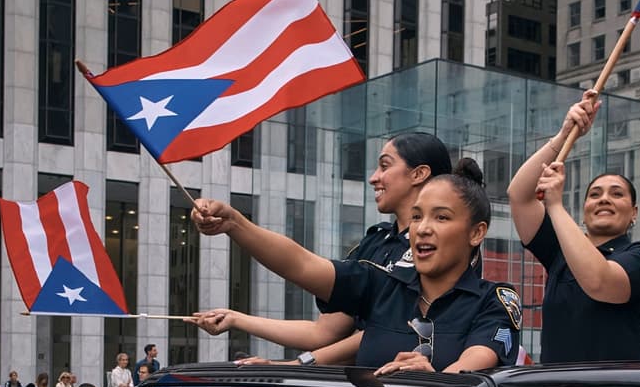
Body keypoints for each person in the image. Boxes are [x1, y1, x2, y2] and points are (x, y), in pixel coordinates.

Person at [192, 159, 521, 373]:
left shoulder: (494, 301)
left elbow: (473, 365)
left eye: (442, 217)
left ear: (476, 233)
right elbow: (303, 264)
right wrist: (235, 223)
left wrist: (434, 380)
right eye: (418, 216)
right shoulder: (381, 285)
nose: (422, 228)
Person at [506, 92, 640, 363]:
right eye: (595, 194)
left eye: (617, 194)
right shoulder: (561, 251)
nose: (604, 199)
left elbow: (600, 282)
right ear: (585, 210)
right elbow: (519, 195)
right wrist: (565, 135)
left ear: (634, 213)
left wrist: (555, 206)